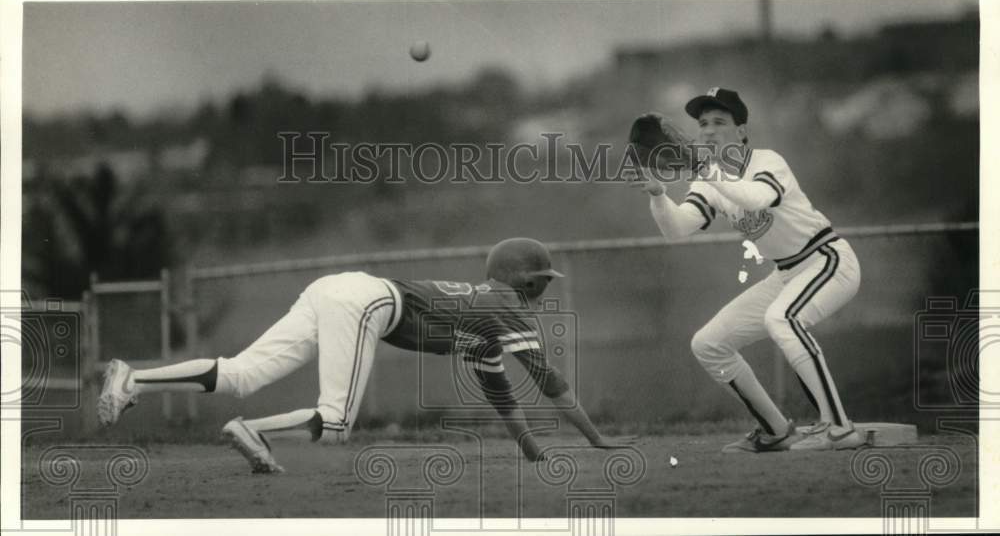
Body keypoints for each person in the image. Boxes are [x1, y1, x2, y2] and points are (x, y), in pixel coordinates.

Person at [97, 237, 633, 472]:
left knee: (240, 373)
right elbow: (550, 381)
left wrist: (533, 452)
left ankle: (133, 381)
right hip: (371, 300)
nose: (542, 290)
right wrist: (597, 437)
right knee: (335, 424)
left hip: (339, 290)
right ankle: (256, 432)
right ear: (523, 282)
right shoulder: (507, 305)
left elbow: (503, 393)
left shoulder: (484, 316)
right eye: (540, 281)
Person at [628, 87, 864, 452]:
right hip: (786, 273)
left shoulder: (768, 161)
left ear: (741, 131)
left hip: (828, 260)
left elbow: (755, 198)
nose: (708, 130)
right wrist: (659, 196)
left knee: (782, 319)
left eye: (720, 121)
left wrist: (704, 168)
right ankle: (776, 430)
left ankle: (838, 427)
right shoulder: (708, 180)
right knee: (708, 343)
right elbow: (677, 230)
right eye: (702, 123)